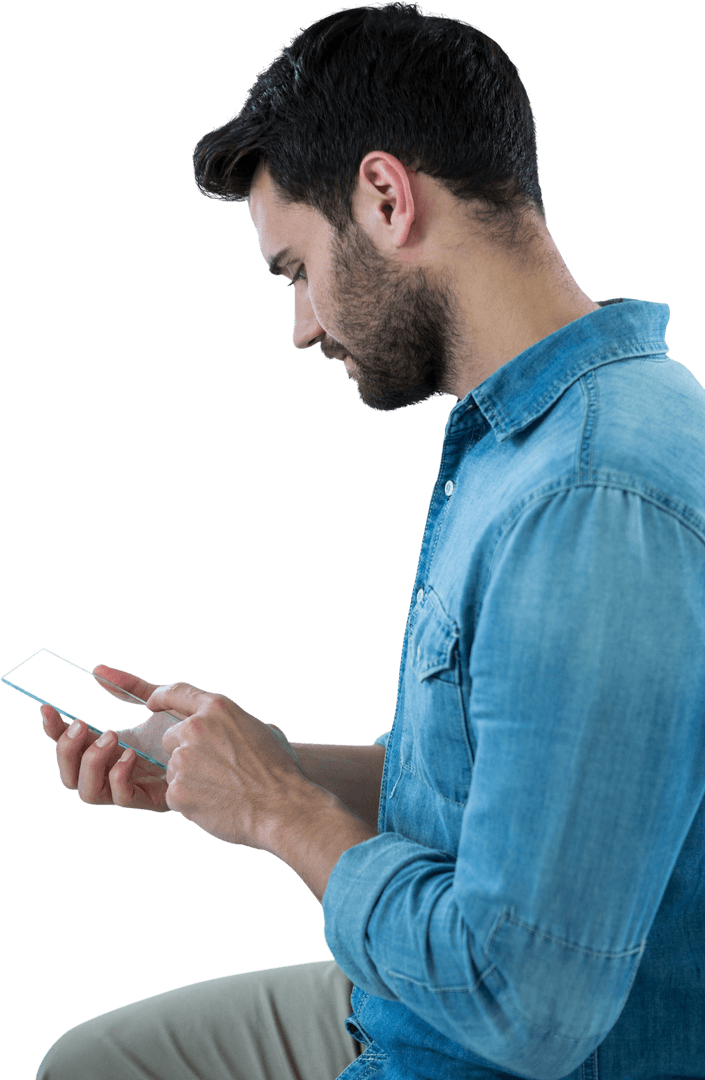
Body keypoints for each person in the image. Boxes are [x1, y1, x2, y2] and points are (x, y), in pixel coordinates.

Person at [36, 3, 705, 1079]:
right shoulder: (526, 435)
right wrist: (239, 760)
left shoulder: (587, 496)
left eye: (295, 269)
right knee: (93, 1058)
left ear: (386, 198)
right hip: (403, 995)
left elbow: (527, 1000)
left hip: (471, 1047)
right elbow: (498, 785)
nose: (301, 326)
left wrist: (277, 810)